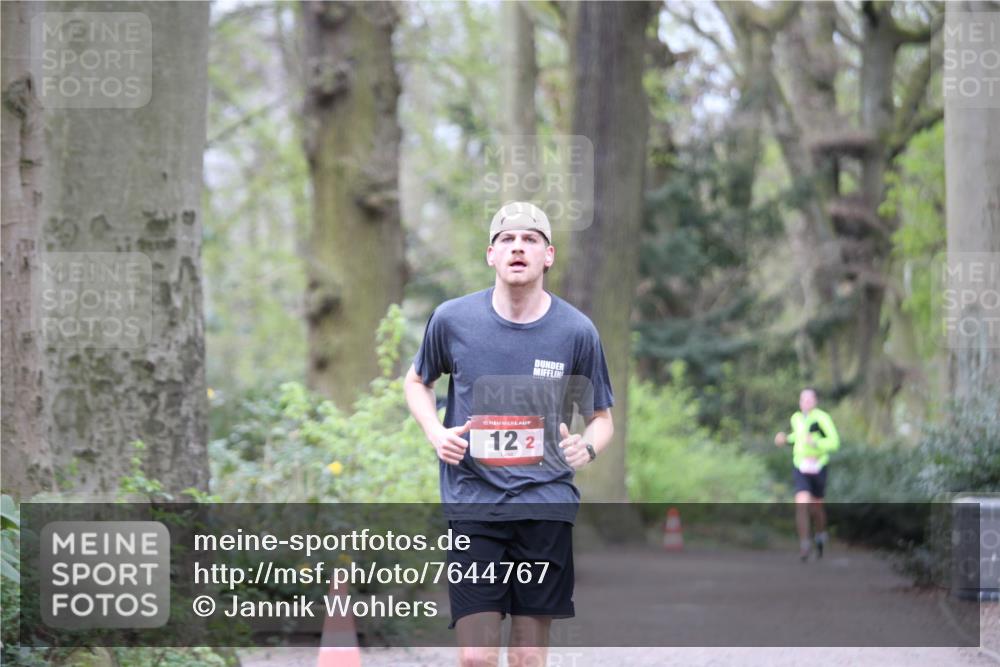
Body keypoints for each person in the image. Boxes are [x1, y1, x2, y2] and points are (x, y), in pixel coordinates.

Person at [404, 201, 614, 667]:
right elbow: (417, 381)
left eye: (530, 239)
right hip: (474, 502)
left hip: (545, 505)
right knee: (476, 657)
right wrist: (435, 432)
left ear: (548, 255)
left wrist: (588, 447)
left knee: (525, 656)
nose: (518, 247)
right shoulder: (453, 320)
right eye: (507, 240)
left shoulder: (577, 331)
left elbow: (602, 417)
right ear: (491, 255)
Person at [774, 388, 840, 561]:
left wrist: (817, 442)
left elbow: (834, 442)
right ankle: (804, 544)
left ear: (815, 401)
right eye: (803, 399)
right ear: (800, 402)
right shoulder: (796, 418)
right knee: (801, 503)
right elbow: (799, 436)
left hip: (818, 466)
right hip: (800, 466)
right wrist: (786, 439)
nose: (806, 403)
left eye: (810, 400)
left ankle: (819, 535)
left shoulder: (822, 418)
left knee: (816, 508)